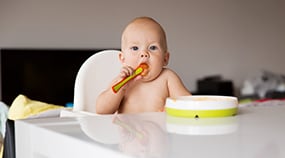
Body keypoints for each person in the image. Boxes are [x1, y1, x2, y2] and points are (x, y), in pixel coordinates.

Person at [96, 16, 191, 114]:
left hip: (159, 129)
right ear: (123, 58)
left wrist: (172, 109)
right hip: (128, 128)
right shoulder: (121, 82)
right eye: (135, 48)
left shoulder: (168, 78)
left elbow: (189, 104)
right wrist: (120, 89)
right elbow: (102, 111)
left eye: (153, 47)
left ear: (165, 58)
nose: (144, 53)